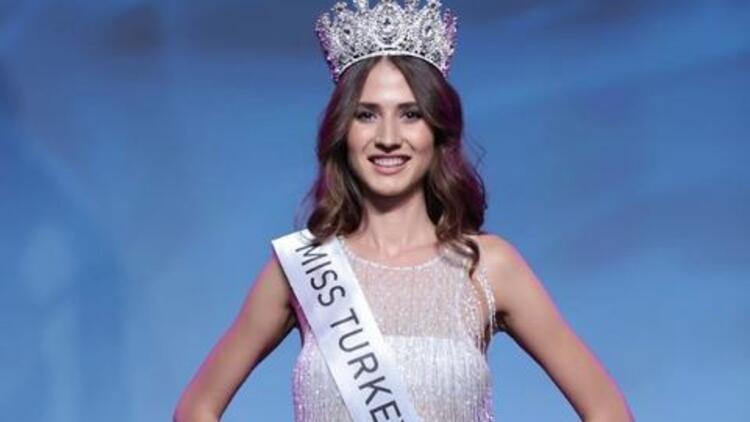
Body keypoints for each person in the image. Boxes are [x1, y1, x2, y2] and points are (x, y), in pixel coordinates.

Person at [173, 1, 634, 421]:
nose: (389, 137)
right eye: (367, 114)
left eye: (410, 114)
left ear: (437, 131)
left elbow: (609, 411)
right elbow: (196, 408)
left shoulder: (488, 266)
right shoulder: (301, 268)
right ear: (343, 131)